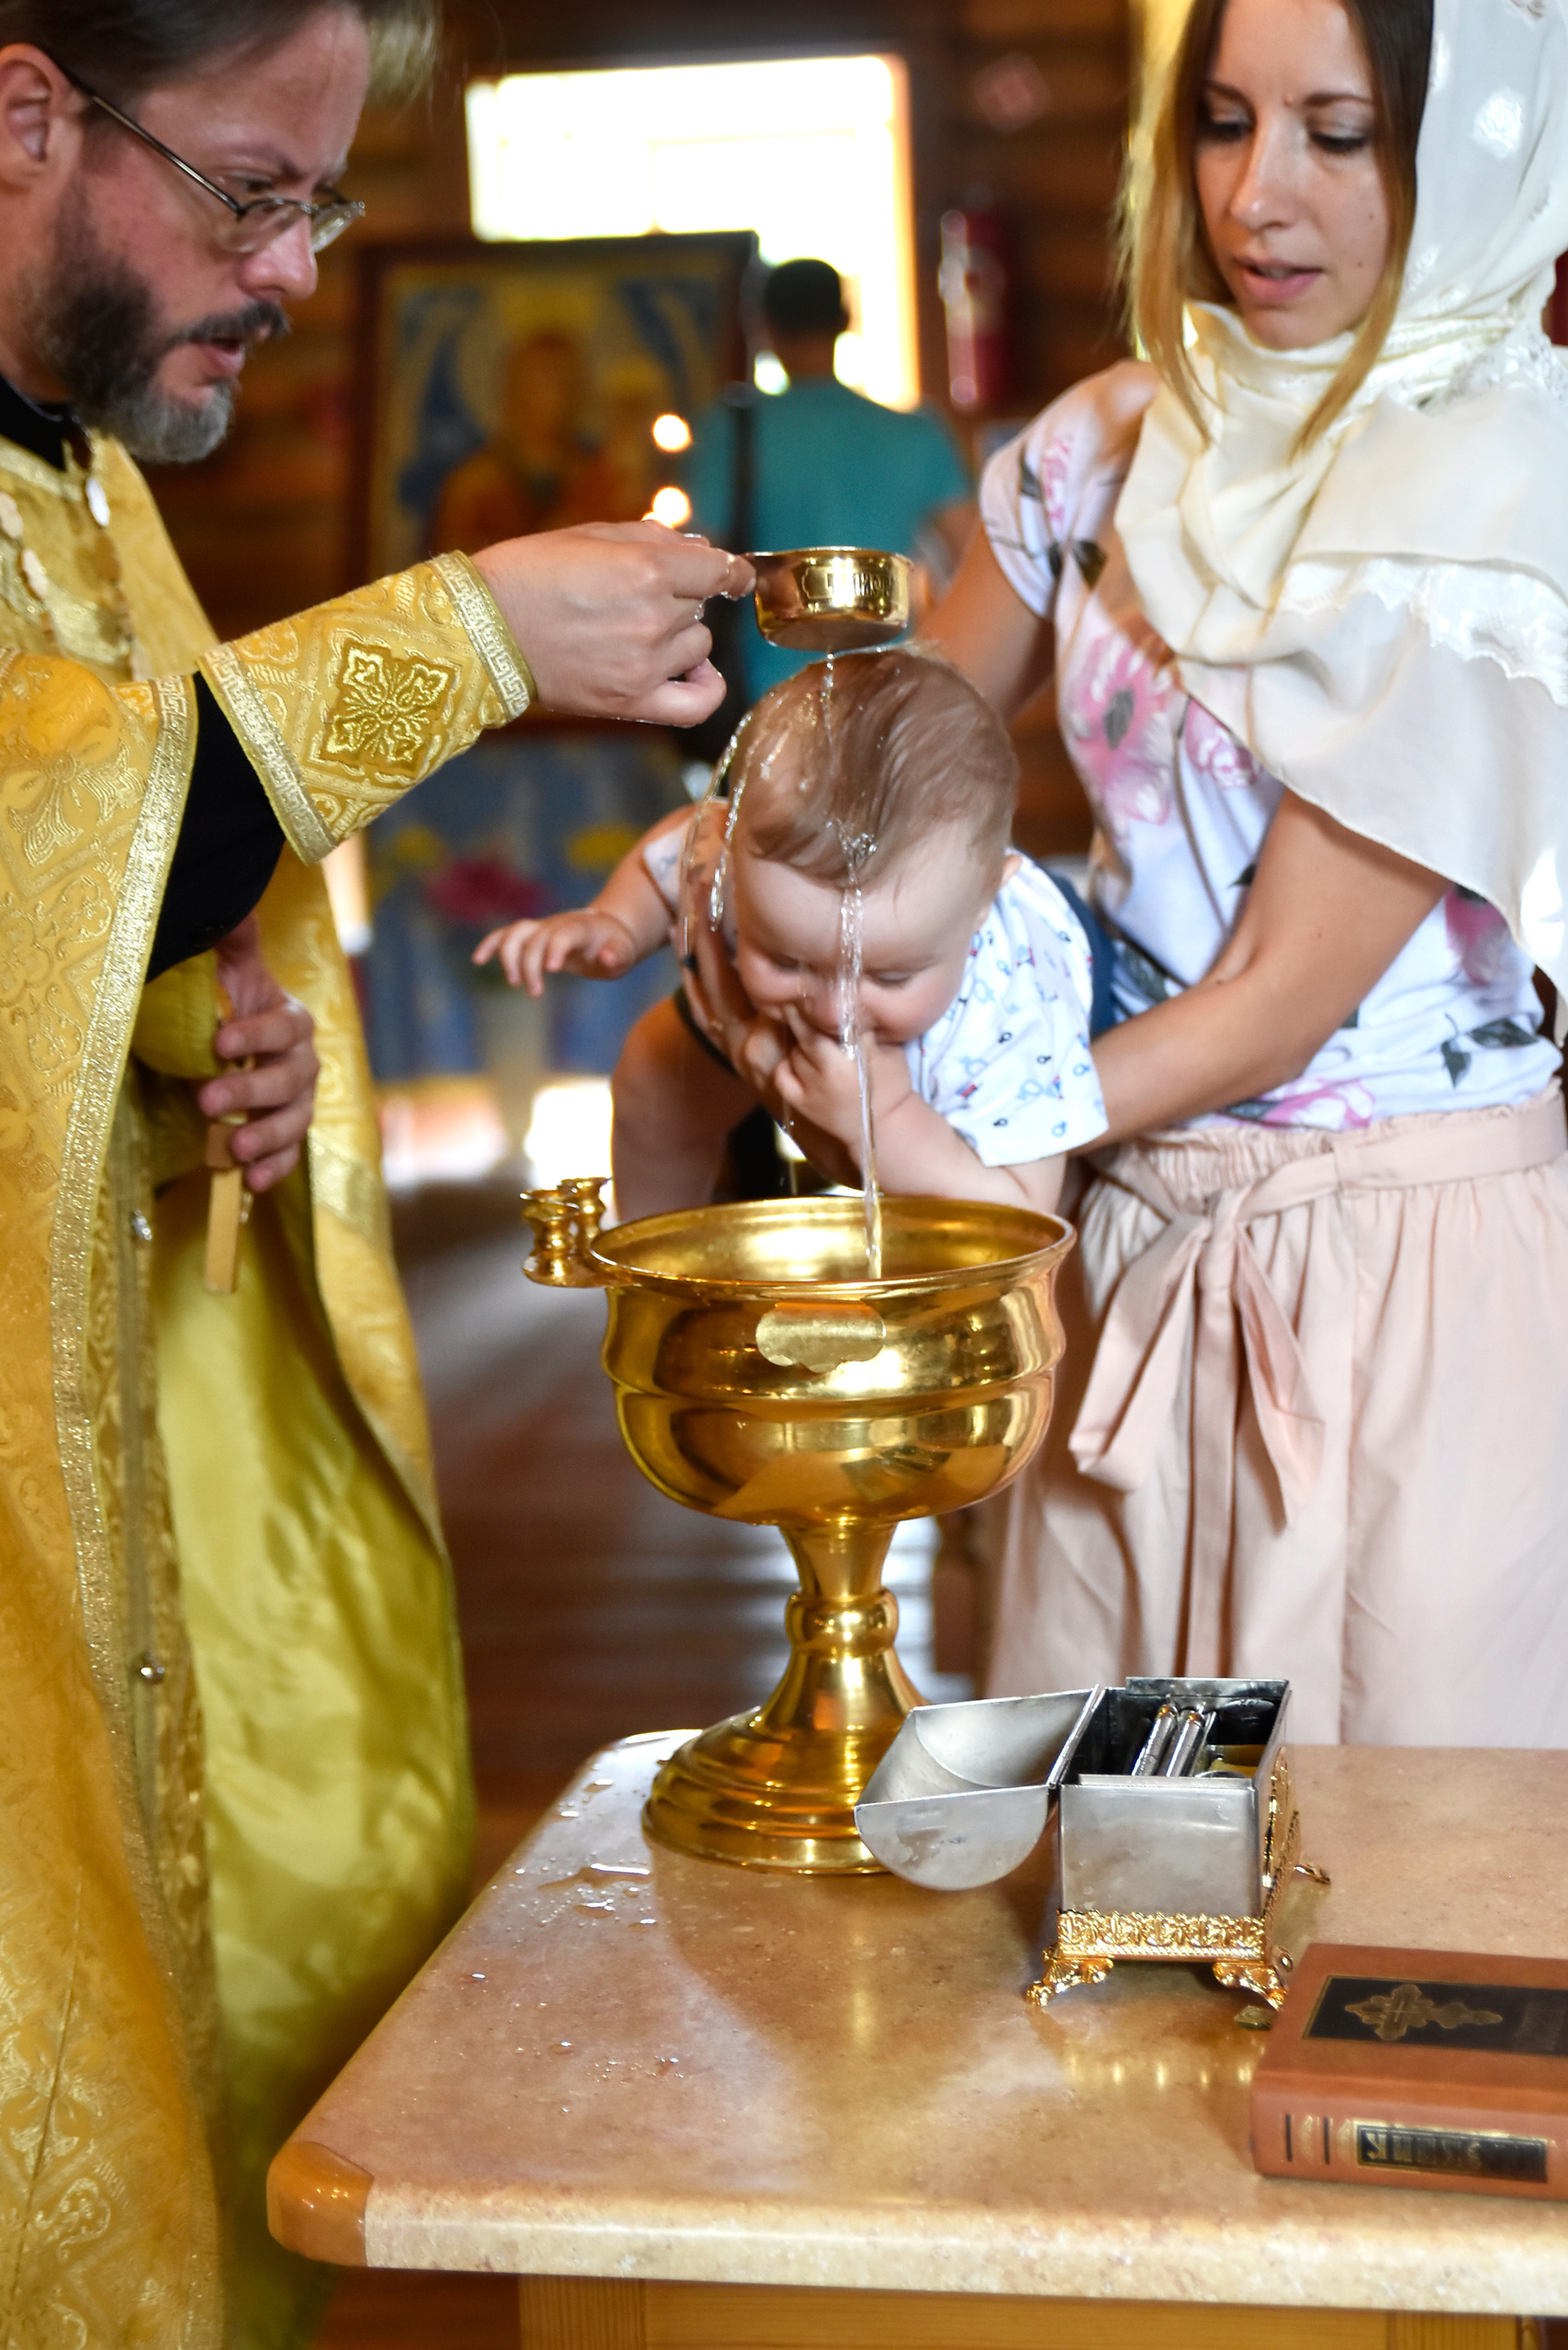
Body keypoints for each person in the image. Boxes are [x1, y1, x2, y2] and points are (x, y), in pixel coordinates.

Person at [0, 4, 748, 2344]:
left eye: (321, 203)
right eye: (253, 190)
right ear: (25, 116)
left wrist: (209, 1012)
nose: (301, 267)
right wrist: (474, 634)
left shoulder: (85, 481)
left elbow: (103, 838)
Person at [906, 0, 1568, 1749]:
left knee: (1393, 1900)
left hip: (1393, 1279)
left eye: (1336, 135)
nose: (1254, 196)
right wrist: (745, 854)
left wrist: (986, 1136)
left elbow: (1276, 1001)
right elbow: (906, 745)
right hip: (1136, 1233)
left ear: (1479, 147)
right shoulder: (1122, 438)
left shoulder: (1495, 497)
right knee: (1098, 1880)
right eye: (1219, 122)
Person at [476, 648, 1105, 1220]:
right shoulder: (732, 855)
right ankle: (654, 1269)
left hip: (975, 1065)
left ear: (981, 908)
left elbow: (1024, 1207)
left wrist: (884, 1120)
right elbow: (682, 841)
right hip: (762, 1004)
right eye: (786, 958)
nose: (833, 1009)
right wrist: (613, 921)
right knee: (654, 1072)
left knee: (1001, 1207)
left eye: (887, 975)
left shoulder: (1016, 1008)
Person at [683, 258, 974, 704]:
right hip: (889, 695)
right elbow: (971, 562)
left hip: (767, 700)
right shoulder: (916, 434)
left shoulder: (731, 432)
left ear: (764, 328)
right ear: (845, 320)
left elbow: (699, 563)